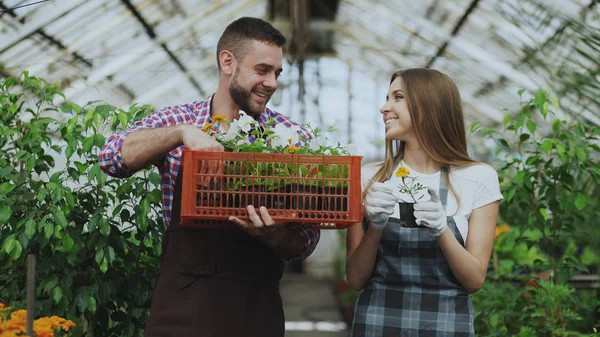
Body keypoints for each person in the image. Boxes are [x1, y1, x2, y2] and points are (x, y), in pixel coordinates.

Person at [99, 17, 320, 337]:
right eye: (262, 70)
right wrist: (180, 135)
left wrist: (275, 236)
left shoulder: (291, 139)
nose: (272, 82)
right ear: (227, 62)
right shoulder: (180, 120)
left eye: (277, 73)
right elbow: (110, 157)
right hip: (182, 305)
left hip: (255, 311)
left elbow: (306, 239)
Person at [346, 68, 503, 337]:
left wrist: (442, 231)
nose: (385, 107)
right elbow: (356, 279)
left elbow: (474, 280)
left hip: (446, 326)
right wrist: (376, 226)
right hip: (377, 323)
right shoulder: (367, 178)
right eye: (387, 97)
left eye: (398, 97)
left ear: (429, 105)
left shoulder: (477, 178)